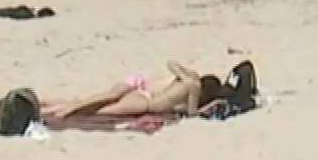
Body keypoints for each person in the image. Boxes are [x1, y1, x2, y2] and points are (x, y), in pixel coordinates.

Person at [40, 60, 242, 121]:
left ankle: (46, 102)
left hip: (140, 83)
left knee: (104, 97)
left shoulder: (190, 78)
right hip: (146, 102)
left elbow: (170, 63)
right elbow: (191, 114)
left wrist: (184, 72)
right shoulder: (194, 87)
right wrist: (209, 106)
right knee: (98, 111)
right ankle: (53, 111)